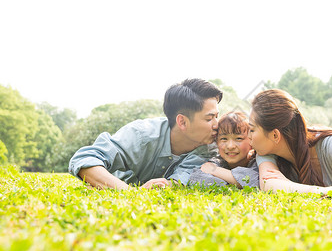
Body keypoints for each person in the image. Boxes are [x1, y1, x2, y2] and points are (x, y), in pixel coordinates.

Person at [68, 78, 222, 190]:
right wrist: (129, 193)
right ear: (182, 122)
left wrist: (170, 184)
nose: (217, 124)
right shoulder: (142, 135)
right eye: (209, 118)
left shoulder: (210, 149)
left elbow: (182, 178)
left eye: (217, 116)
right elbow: (85, 159)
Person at [249, 89, 332, 196]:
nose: (248, 135)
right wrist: (326, 191)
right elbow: (268, 184)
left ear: (275, 135)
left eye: (252, 129)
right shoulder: (266, 152)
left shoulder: (331, 142)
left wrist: (288, 185)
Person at [189, 111, 259, 188]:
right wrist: (237, 183)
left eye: (238, 138)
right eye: (224, 139)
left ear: (252, 141)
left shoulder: (258, 161)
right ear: (217, 143)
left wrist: (215, 171)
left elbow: (255, 180)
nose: (230, 146)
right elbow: (197, 178)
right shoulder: (217, 161)